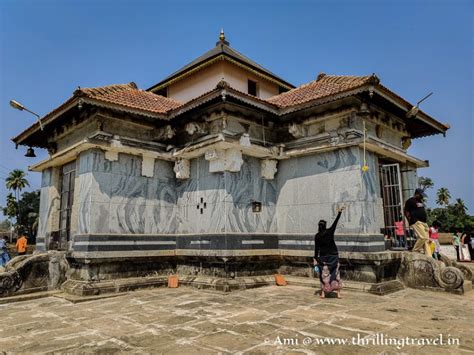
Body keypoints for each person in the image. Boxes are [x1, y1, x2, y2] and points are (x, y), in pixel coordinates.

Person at [313, 205, 346, 299]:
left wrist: (315, 258)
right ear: (325, 226)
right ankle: (338, 293)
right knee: (335, 273)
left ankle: (323, 293)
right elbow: (336, 222)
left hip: (323, 258)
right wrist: (340, 212)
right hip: (333, 256)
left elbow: (316, 249)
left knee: (324, 275)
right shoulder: (330, 231)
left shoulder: (317, 236)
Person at [404, 188, 431, 256]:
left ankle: (429, 256)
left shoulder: (420, 201)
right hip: (416, 221)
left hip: (424, 222)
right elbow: (406, 212)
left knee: (426, 240)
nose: (422, 197)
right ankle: (414, 251)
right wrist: (410, 221)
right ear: (417, 194)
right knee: (423, 237)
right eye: (421, 195)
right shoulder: (410, 201)